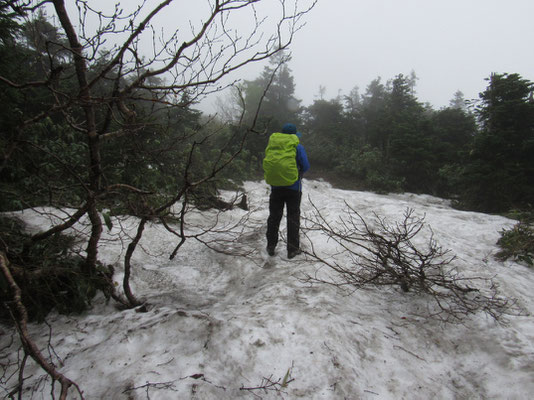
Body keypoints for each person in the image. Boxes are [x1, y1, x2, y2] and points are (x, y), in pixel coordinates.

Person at [263, 123, 310, 258]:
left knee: (274, 217)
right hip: (294, 188)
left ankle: (271, 246)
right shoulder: (298, 147)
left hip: (276, 188)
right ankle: (292, 250)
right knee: (293, 217)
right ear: (294, 135)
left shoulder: (273, 146)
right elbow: (306, 166)